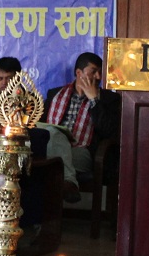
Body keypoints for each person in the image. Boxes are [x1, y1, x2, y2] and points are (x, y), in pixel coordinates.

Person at [40, 52, 121, 203]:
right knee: (53, 134)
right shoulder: (55, 94)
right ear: (79, 73)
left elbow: (109, 131)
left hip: (83, 151)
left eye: (100, 72)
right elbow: (42, 125)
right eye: (93, 71)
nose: (98, 76)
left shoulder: (110, 99)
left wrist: (94, 100)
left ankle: (45, 216)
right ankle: (69, 182)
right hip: (53, 147)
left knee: (51, 163)